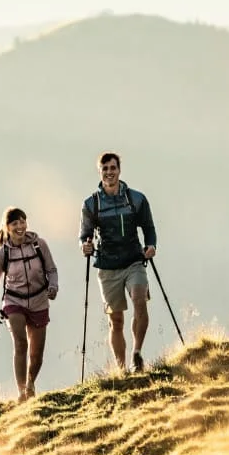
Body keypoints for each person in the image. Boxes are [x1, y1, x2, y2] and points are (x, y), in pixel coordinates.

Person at [79, 152, 158, 374]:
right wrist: (85, 246)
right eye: (105, 169)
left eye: (113, 168)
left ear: (119, 170)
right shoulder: (91, 204)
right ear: (100, 172)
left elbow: (149, 228)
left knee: (140, 300)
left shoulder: (136, 199)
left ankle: (137, 354)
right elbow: (84, 234)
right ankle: (121, 369)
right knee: (116, 321)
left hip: (134, 260)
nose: (109, 172)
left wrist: (151, 245)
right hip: (107, 266)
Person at [0, 207, 59, 402]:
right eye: (14, 223)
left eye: (22, 222)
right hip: (13, 301)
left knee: (37, 354)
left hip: (39, 299)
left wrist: (53, 286)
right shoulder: (2, 254)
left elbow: (51, 269)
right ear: (7, 227)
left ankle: (31, 382)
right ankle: (22, 391)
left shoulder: (39, 245)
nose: (20, 226)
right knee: (21, 344)